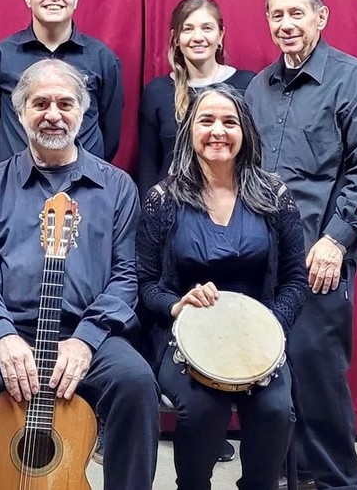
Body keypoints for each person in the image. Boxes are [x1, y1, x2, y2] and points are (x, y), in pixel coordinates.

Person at [0, 59, 159, 490]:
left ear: (84, 112)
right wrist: (3, 334)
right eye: (40, 103)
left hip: (88, 333)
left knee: (137, 384)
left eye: (65, 103)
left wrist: (87, 339)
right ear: (20, 112)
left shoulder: (118, 187)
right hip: (3, 332)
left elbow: (127, 277)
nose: (53, 114)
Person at [245, 0, 357, 490]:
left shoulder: (353, 80)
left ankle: (333, 482)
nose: (286, 25)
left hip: (319, 256)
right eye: (276, 16)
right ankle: (289, 476)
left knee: (317, 376)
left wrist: (335, 240)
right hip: (262, 258)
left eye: (296, 14)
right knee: (269, 378)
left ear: (321, 17)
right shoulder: (256, 88)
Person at [138, 84, 307, 489]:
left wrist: (269, 325)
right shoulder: (163, 199)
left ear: (245, 131)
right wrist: (177, 305)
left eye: (229, 121)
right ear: (189, 131)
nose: (218, 131)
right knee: (200, 410)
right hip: (185, 338)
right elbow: (144, 283)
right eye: (206, 120)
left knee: (274, 411)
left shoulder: (275, 196)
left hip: (259, 341)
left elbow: (295, 281)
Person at [0, 0, 123, 167]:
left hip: (84, 184)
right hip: (16, 184)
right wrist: (6, 157)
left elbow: (110, 129)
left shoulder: (102, 58)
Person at [138, 0, 256, 197]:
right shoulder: (157, 92)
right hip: (172, 210)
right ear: (176, 38)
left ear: (221, 35)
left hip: (233, 207)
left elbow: (255, 157)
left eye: (207, 28)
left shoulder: (248, 85)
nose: (198, 37)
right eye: (188, 29)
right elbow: (148, 165)